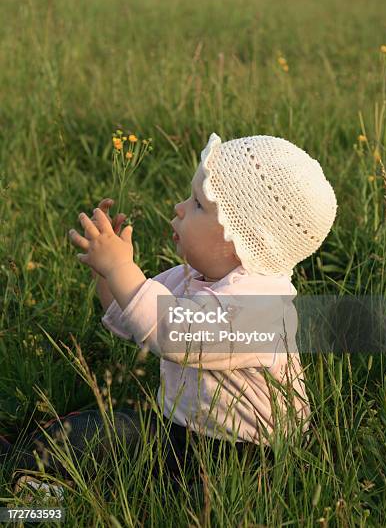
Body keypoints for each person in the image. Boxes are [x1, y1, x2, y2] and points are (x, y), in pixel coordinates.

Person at [3, 132, 337, 496]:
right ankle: (27, 468)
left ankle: (64, 492)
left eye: (197, 204)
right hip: (178, 432)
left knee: (196, 499)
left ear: (240, 241)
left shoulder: (262, 308)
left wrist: (121, 270)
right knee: (95, 434)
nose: (179, 206)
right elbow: (134, 316)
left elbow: (172, 333)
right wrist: (108, 275)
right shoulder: (195, 277)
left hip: (247, 458)